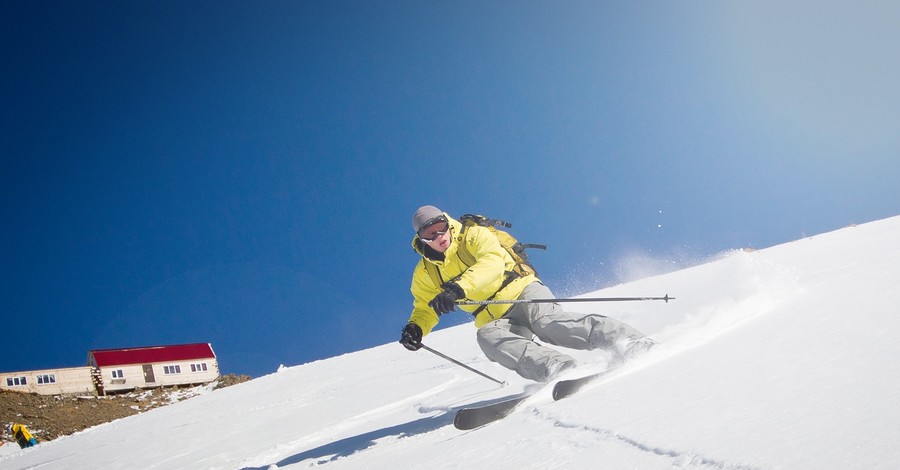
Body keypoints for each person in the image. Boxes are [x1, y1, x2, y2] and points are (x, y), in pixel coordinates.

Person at [399, 205, 655, 382]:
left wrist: (457, 289)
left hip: (521, 291)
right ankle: (557, 368)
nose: (439, 235)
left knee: (548, 324)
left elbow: (492, 263)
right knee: (487, 337)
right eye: (429, 234)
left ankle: (629, 341)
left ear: (447, 221)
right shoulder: (425, 274)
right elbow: (424, 306)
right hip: (495, 318)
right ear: (421, 239)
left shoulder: (473, 236)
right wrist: (416, 327)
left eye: (441, 226)